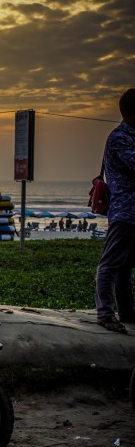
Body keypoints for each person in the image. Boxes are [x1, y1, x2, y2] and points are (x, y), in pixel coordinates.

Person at [95, 88, 135, 334]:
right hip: (126, 211)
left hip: (130, 213)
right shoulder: (121, 137)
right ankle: (106, 313)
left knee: (124, 265)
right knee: (111, 265)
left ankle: (128, 310)